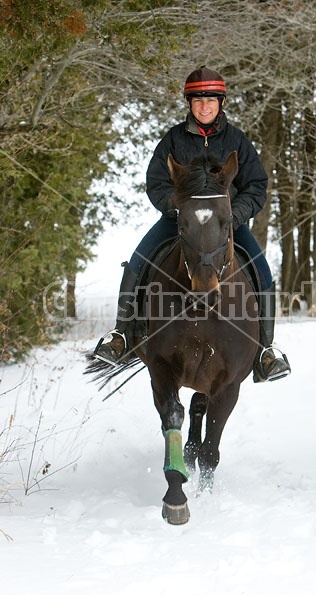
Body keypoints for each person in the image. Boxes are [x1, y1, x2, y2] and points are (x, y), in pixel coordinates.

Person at [94, 66, 291, 383]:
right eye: (198, 100)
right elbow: (156, 183)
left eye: (210, 100)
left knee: (262, 270)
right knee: (138, 261)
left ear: (221, 102)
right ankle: (121, 334)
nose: (204, 106)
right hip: (179, 222)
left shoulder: (237, 140)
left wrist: (234, 216)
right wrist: (178, 209)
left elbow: (256, 185)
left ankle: (266, 350)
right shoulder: (173, 139)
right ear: (189, 103)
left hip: (225, 225)